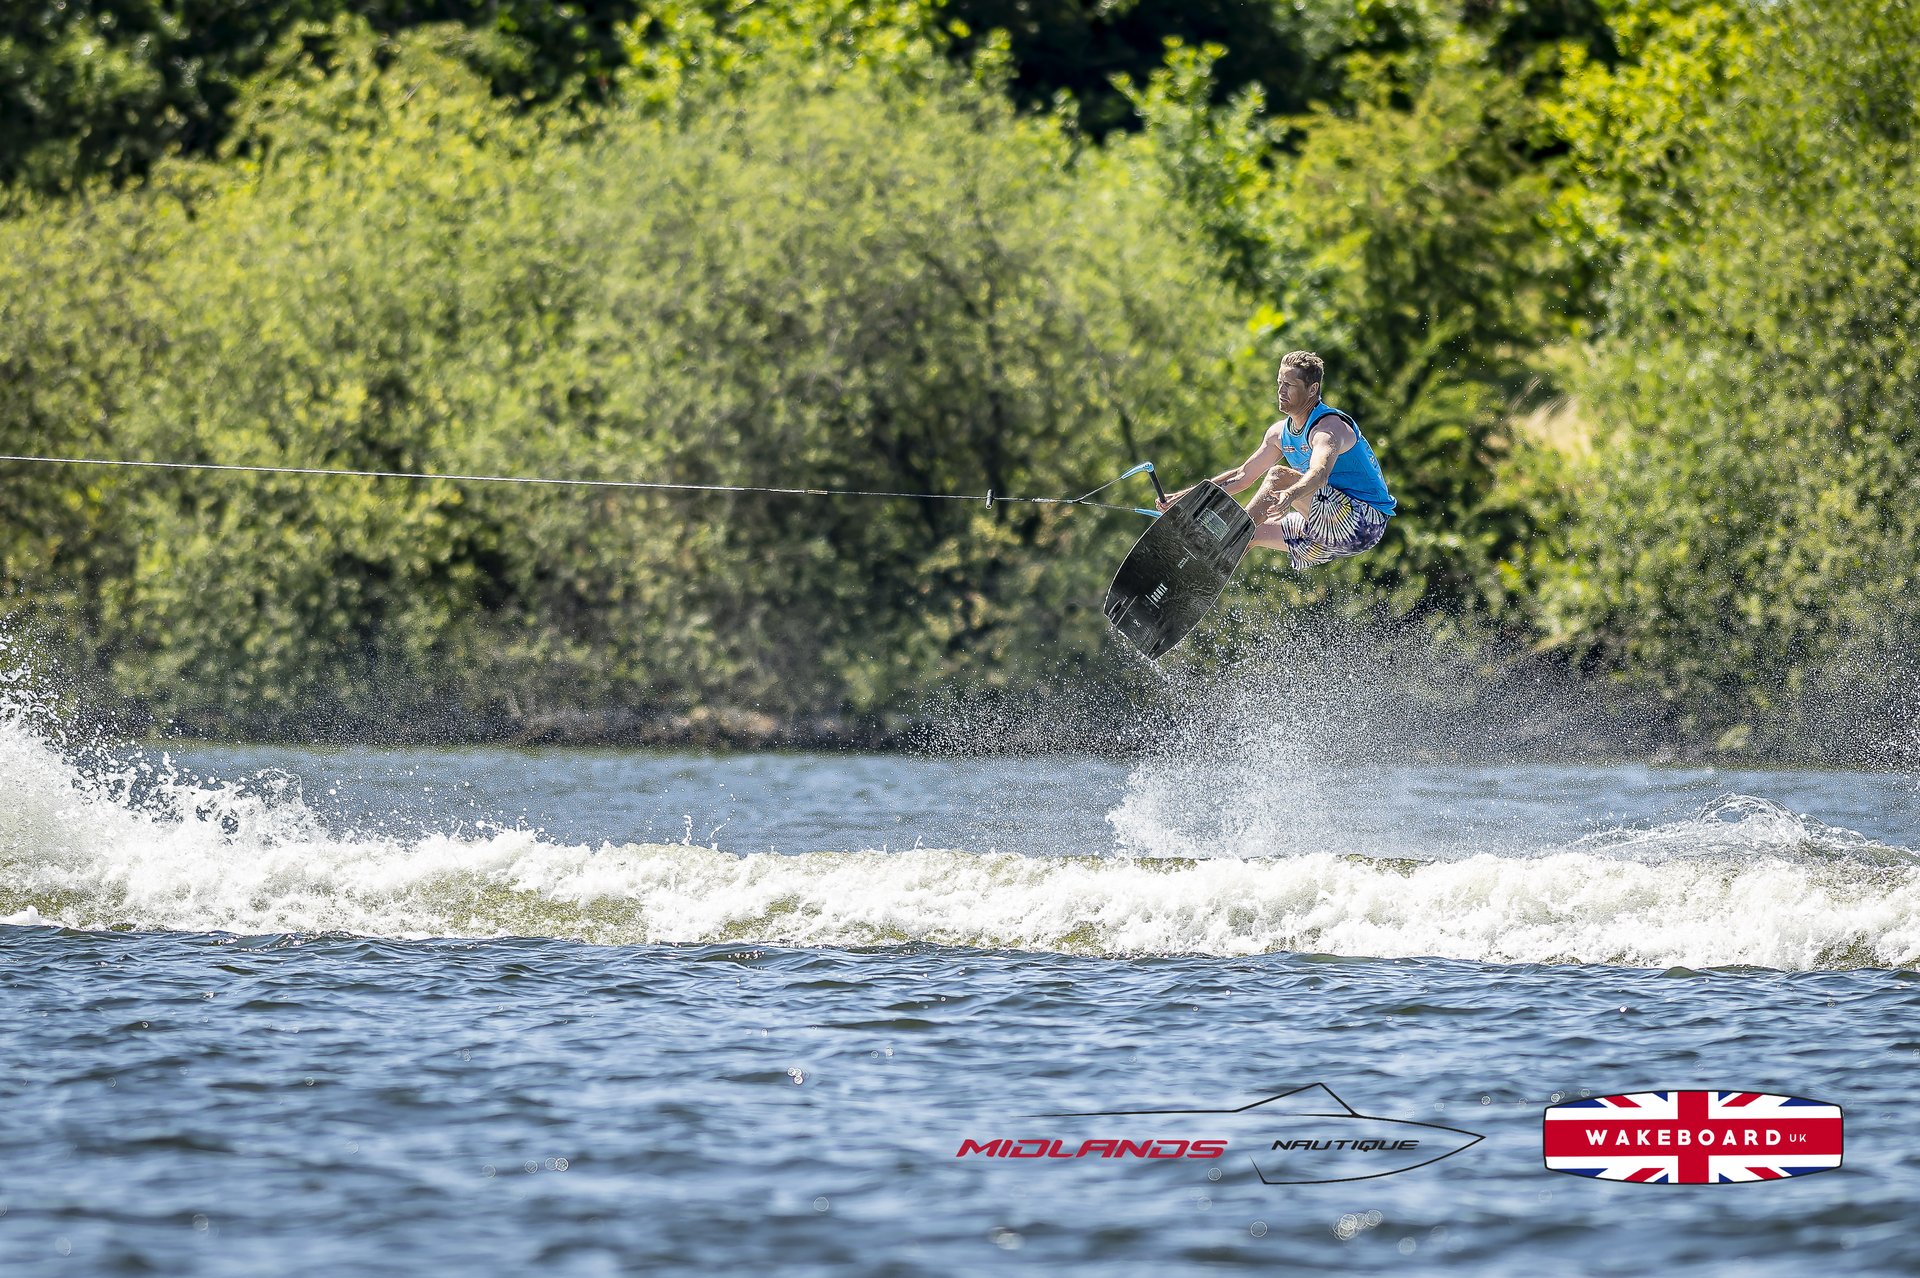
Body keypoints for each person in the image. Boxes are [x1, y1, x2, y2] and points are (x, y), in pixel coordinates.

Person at [1159, 351, 1395, 570]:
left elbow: (1319, 473)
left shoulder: (1327, 428)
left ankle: (1227, 538)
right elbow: (1242, 477)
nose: (1281, 391)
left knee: (1278, 477)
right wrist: (1185, 499)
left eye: (1289, 385)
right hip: (1322, 532)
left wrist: (1291, 494)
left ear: (1312, 389)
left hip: (1362, 523)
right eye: (1279, 384)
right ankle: (1199, 583)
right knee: (1252, 534)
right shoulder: (1278, 434)